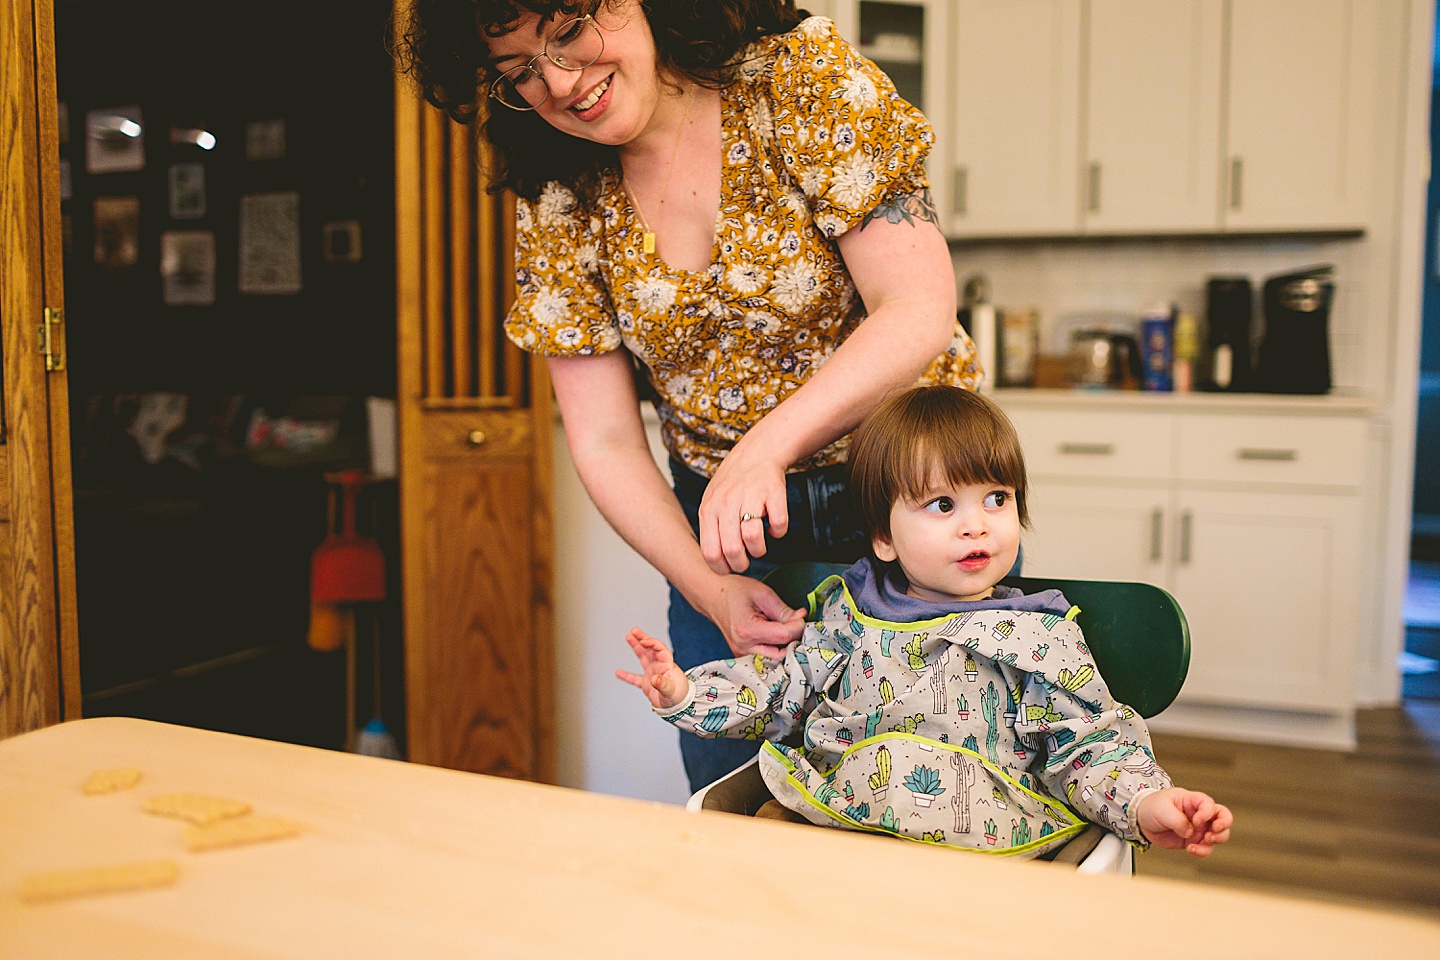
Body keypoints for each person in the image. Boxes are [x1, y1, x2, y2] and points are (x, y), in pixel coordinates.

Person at [396, 1, 981, 791]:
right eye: (521, 71)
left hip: (908, 491)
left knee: (939, 792)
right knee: (736, 806)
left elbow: (916, 306)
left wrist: (765, 448)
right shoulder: (558, 191)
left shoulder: (795, 77)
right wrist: (710, 592)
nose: (561, 84)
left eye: (569, 34)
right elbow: (602, 439)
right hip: (722, 536)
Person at [617, 385, 1233, 859]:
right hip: (841, 826)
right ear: (884, 535)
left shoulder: (1040, 636)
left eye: (998, 499)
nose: (978, 525)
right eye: (943, 505)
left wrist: (1149, 803)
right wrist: (686, 691)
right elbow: (781, 689)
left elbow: (1088, 748)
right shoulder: (846, 615)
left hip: (978, 852)